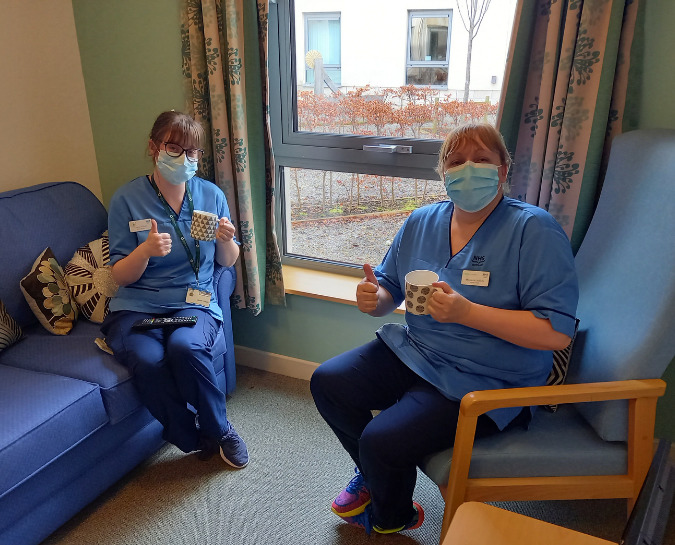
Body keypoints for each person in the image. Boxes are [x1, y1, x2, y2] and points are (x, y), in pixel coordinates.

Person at [310, 123, 578, 534]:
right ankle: (377, 477)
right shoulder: (422, 221)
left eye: (482, 159)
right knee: (328, 382)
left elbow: (555, 332)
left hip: (488, 378)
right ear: (443, 172)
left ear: (504, 170)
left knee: (380, 441)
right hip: (418, 351)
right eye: (456, 161)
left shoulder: (533, 230)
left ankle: (392, 516)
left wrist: (468, 313)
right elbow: (389, 288)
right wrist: (374, 298)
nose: (468, 168)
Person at [101, 110, 249, 468]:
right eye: (174, 148)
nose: (185, 158)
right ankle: (189, 436)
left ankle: (220, 429)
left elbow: (227, 261)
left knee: (185, 347)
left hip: (191, 301)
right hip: (137, 304)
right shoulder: (127, 199)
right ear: (154, 147)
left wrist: (227, 241)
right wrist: (145, 251)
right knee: (148, 360)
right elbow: (119, 275)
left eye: (193, 152)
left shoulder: (210, 196)